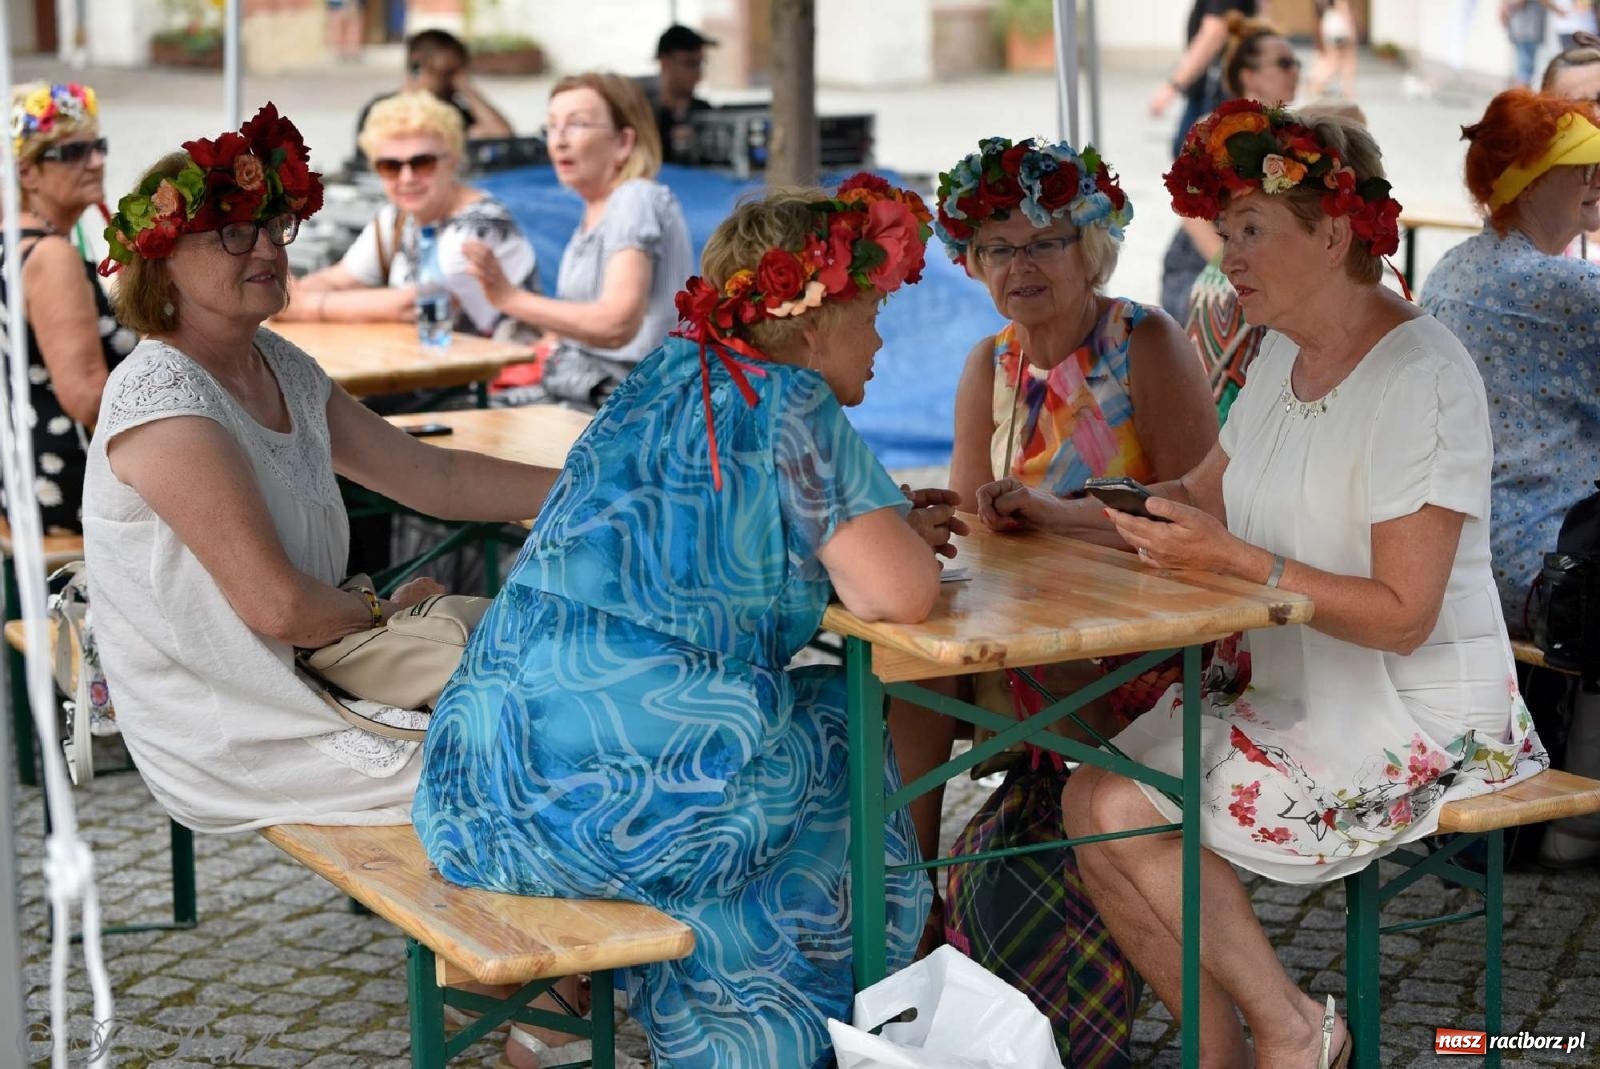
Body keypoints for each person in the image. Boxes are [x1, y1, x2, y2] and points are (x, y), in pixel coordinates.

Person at [980, 103, 1547, 1068]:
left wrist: (1238, 562)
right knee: (1089, 796)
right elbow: (1196, 499)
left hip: (1423, 714)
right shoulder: (1279, 352)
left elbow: (1404, 617)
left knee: (1120, 805)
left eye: (1252, 230)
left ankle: (1288, 1029)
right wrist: (1062, 511)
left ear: (1332, 233)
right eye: (1226, 228)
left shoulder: (1424, 371)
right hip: (1291, 691)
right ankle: (1222, 1052)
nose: (1227, 254)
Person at [414, 176, 955, 1069]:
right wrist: (900, 543)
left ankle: (555, 1020)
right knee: (835, 734)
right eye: (873, 309)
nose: (884, 335)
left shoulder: (664, 374)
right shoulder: (794, 401)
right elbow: (897, 598)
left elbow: (706, 531)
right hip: (612, 803)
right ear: (813, 324)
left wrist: (876, 525)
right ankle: (775, 1036)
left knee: (783, 743)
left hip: (480, 786)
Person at [83, 104, 557, 839]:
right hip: (232, 719)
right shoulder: (161, 400)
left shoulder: (280, 366)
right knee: (538, 752)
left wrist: (590, 484)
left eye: (276, 227)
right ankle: (556, 945)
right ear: (164, 256)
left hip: (321, 667)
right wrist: (389, 611)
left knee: (556, 702)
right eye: (236, 231)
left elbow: (436, 480)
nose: (267, 247)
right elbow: (280, 608)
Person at [902, 136, 1216, 1063]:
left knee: (935, 666)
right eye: (997, 249)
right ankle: (913, 907)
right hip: (1029, 633)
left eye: (1041, 242)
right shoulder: (987, 363)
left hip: (1147, 640)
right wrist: (943, 518)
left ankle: (938, 915)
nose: (1019, 266)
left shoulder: (1141, 340)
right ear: (973, 264)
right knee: (897, 664)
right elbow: (969, 526)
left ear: (1091, 247)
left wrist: (1052, 514)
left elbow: (1198, 511)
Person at [1420, 90, 1600, 867]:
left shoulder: (1457, 265)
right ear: (1528, 184)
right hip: (1545, 566)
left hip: (1455, 547)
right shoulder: (1562, 289)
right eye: (1579, 167)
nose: (1596, 178)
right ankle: (1581, 818)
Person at [463, 72, 693, 410]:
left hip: (623, 404)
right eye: (552, 127)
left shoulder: (635, 198)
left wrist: (509, 298)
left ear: (623, 142)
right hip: (586, 389)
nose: (559, 141)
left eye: (577, 125)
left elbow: (616, 324)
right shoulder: (595, 211)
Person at [282, 91, 536, 336]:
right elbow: (338, 279)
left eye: (423, 163)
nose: (407, 178)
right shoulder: (396, 218)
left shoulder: (482, 224)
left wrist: (301, 306)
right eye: (390, 166)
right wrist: (292, 296)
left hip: (498, 374)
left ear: (454, 161)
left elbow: (417, 302)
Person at [1, 82, 134, 533]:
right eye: (73, 153)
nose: (96, 161)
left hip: (26, 473)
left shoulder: (12, 241)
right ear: (27, 172)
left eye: (98, 147)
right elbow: (88, 398)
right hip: (71, 481)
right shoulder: (50, 256)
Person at [1163, 12, 1301, 325]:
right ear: (1249, 75)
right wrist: (1232, 269)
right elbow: (1189, 213)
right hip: (1206, 264)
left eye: (1296, 63)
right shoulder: (1214, 129)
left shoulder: (1296, 132)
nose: (1295, 71)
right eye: (1283, 63)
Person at [353, 28, 512, 156]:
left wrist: (468, 90)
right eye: (446, 73)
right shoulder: (381, 111)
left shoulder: (453, 113)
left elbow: (502, 136)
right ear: (416, 66)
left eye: (460, 74)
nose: (452, 83)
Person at [1148, 0, 1259, 159]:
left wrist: (1173, 86)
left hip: (1217, 86)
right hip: (1219, 84)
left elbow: (1215, 30)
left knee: (1191, 155)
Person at [646, 23, 717, 165]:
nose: (697, 73)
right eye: (690, 64)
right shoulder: (643, 112)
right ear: (665, 63)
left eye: (700, 63)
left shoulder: (704, 111)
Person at [1306, 0, 1358, 99]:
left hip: (1330, 27)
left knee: (1334, 61)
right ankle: (1317, 83)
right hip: (1340, 31)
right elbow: (1345, 14)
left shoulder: (1327, 10)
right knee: (1344, 62)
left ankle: (1316, 82)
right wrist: (1352, 34)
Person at [1505, 0, 1563, 87]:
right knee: (1525, 72)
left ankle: (1520, 98)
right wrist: (1558, 10)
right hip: (1529, 30)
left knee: (1523, 71)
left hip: (1521, 29)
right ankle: (1521, 99)